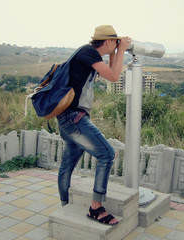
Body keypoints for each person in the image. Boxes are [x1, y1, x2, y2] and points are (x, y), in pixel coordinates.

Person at [56, 25, 132, 226]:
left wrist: (116, 51)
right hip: (73, 117)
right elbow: (115, 77)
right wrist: (122, 50)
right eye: (114, 42)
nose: (116, 44)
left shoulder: (90, 55)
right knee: (106, 154)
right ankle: (96, 208)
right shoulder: (87, 52)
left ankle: (65, 205)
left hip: (67, 118)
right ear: (107, 41)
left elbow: (111, 71)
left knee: (67, 164)